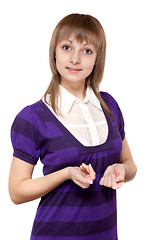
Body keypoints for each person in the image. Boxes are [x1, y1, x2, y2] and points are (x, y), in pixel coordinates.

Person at [9, 13, 137, 240]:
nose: (75, 59)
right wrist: (66, 174)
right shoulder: (33, 117)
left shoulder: (109, 106)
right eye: (67, 47)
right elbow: (17, 191)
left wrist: (121, 170)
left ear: (97, 58)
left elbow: (130, 165)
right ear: (54, 52)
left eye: (87, 50)